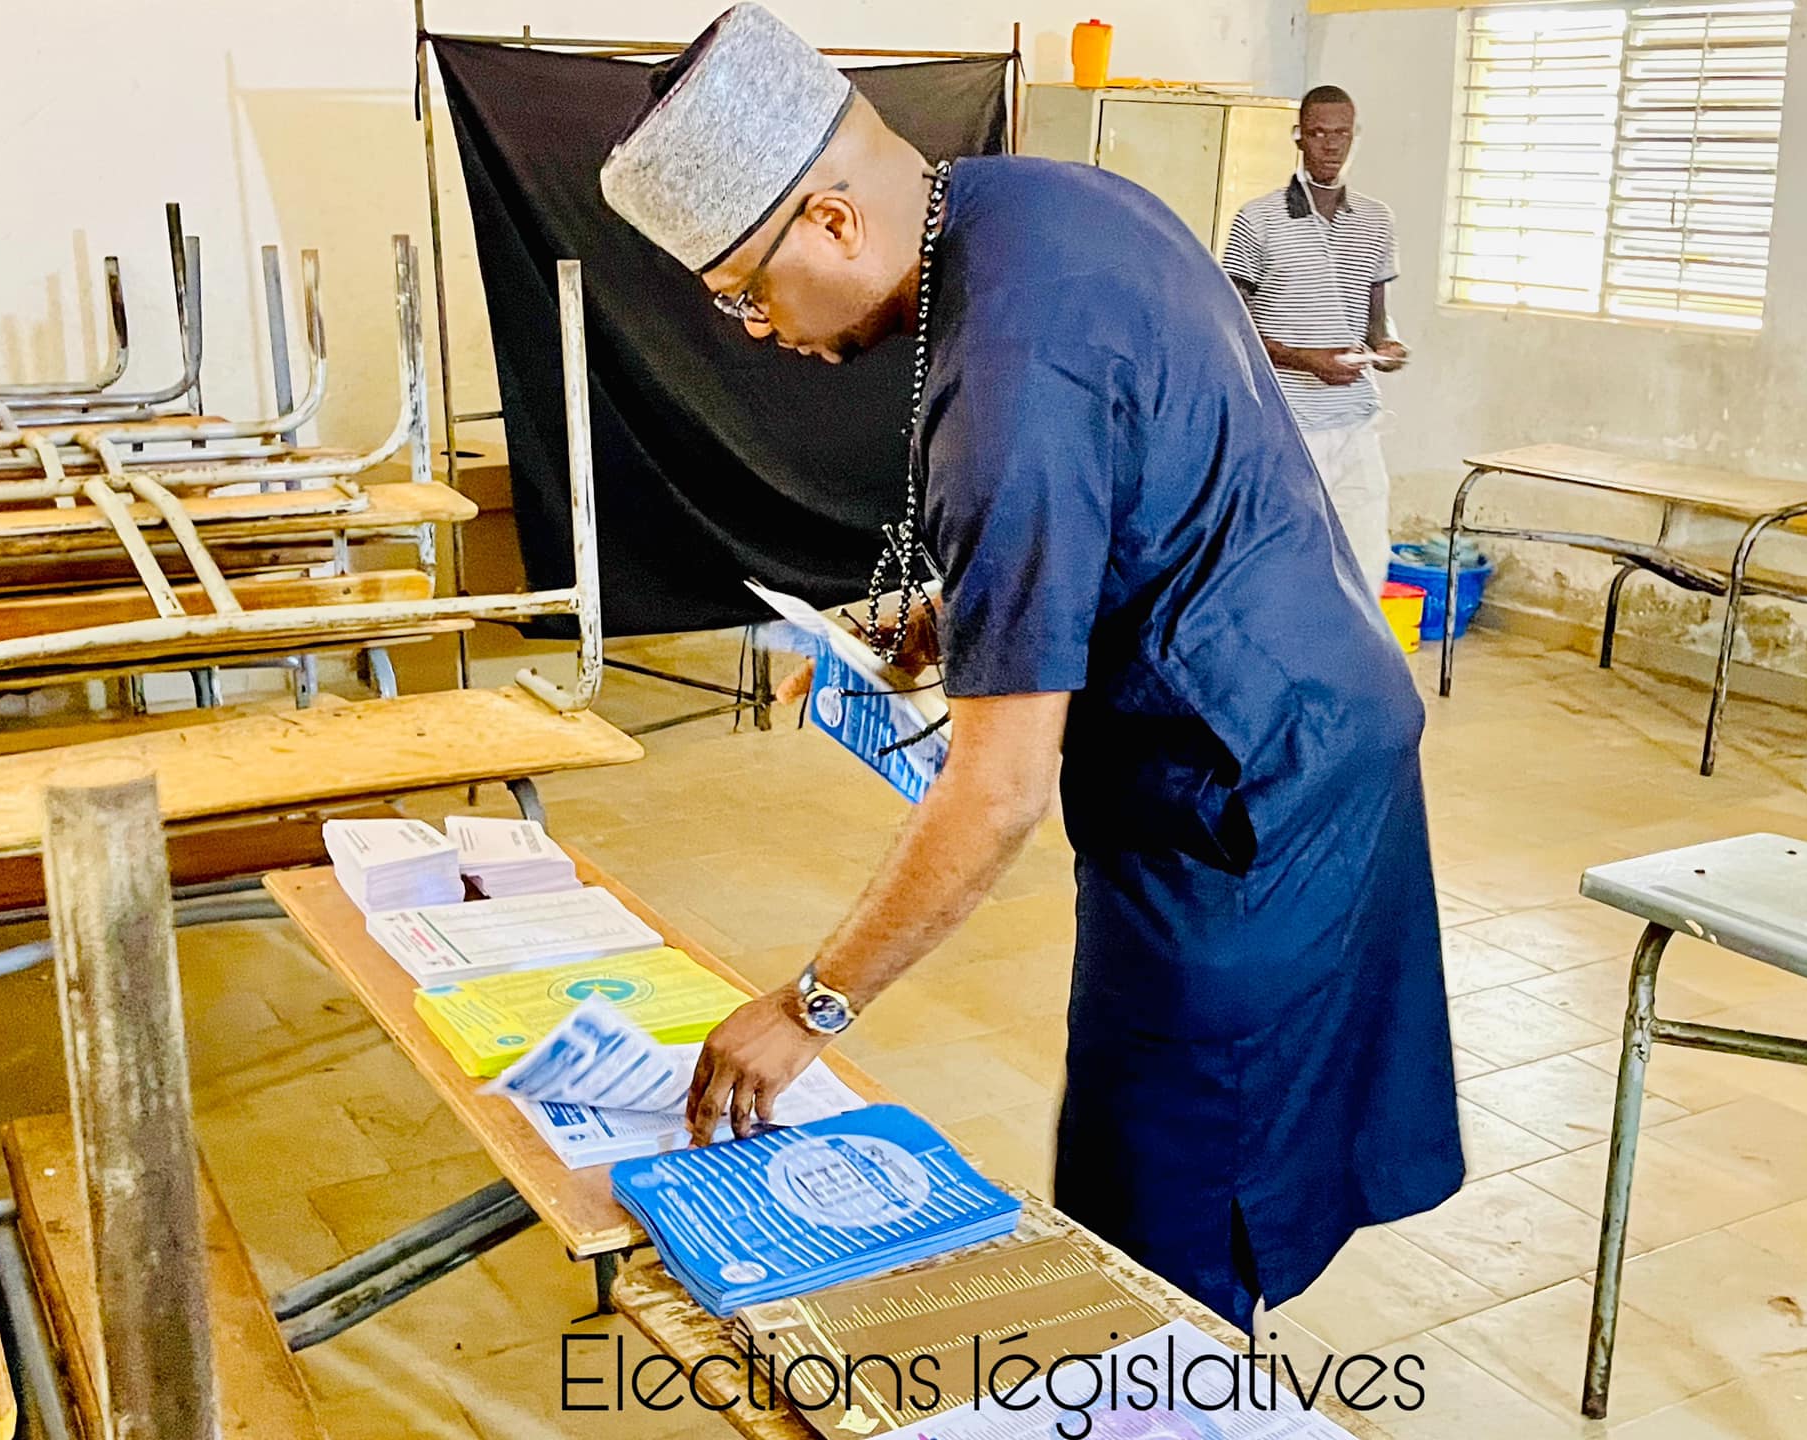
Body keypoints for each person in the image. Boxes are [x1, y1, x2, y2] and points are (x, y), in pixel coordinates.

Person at [598, 3, 1461, 1329]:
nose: (755, 330)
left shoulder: (1004, 374)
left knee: (1161, 1215)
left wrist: (810, 1006)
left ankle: (1182, 1397)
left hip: (1245, 801)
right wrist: (983, 607)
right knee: (1151, 1153)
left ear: (834, 223)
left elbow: (996, 794)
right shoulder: (1037, 204)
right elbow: (1145, 481)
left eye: (743, 292)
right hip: (1292, 718)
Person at [1222, 85, 1406, 592]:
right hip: (1288, 422)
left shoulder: (1376, 220)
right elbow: (1230, 327)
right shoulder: (1258, 219)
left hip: (1356, 420)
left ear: (1355, 136)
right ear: (1298, 137)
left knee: (1367, 557)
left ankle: (1353, 661)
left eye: (1341, 134)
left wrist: (1387, 348)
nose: (1330, 145)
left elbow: (1375, 322)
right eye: (1318, 133)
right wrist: (1307, 361)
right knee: (1286, 552)